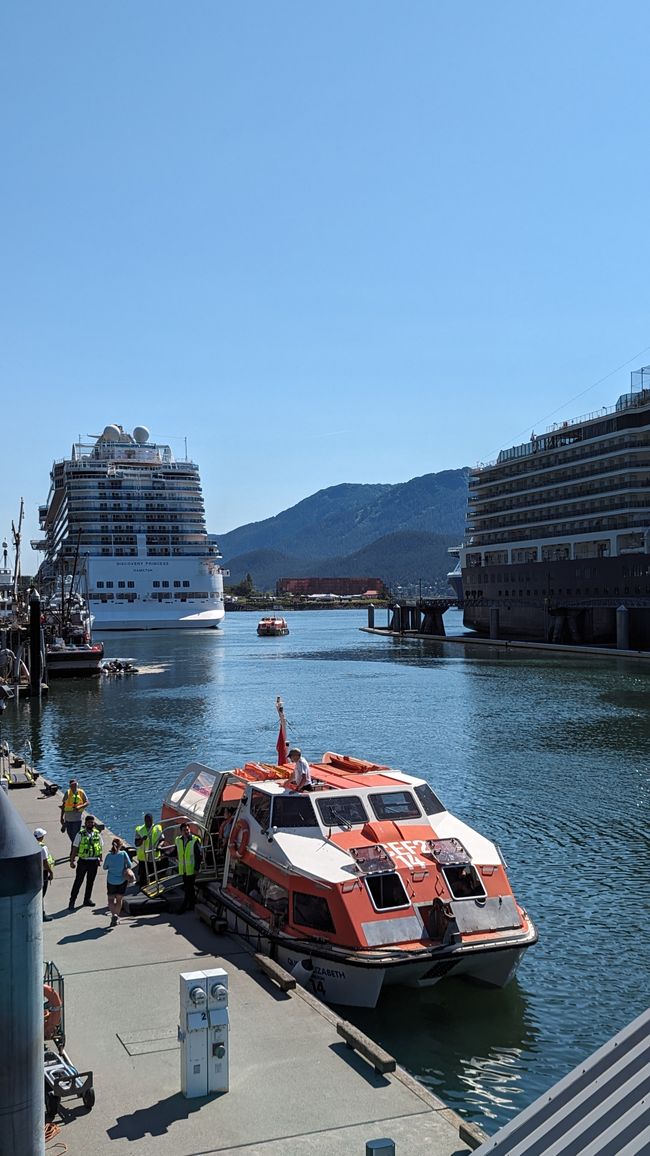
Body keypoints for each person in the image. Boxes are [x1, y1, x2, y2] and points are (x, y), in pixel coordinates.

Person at [69, 814, 103, 910]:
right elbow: (75, 848)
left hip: (94, 862)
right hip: (83, 861)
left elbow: (100, 847)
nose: (91, 824)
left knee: (90, 882)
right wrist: (72, 861)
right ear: (85, 823)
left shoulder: (97, 833)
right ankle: (72, 901)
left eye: (92, 822)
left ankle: (87, 899)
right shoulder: (80, 834)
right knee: (78, 881)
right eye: (89, 822)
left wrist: (100, 858)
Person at [102, 837, 133, 927]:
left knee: (111, 899)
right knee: (119, 899)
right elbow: (130, 865)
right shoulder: (123, 854)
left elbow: (105, 867)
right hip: (122, 881)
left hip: (111, 881)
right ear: (120, 846)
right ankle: (117, 916)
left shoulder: (109, 856)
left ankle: (113, 915)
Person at [175, 822, 202, 912]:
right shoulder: (179, 840)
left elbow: (199, 855)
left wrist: (196, 868)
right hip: (184, 869)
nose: (186, 832)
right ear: (181, 832)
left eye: (187, 830)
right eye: (184, 830)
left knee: (188, 888)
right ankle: (192, 905)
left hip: (191, 869)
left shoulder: (194, 840)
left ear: (189, 830)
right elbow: (176, 852)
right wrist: (165, 853)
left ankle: (184, 906)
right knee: (189, 888)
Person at [134, 812, 164, 889]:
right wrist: (141, 839)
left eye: (150, 820)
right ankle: (142, 889)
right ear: (144, 821)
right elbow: (136, 844)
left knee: (154, 874)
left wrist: (159, 845)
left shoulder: (157, 828)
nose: (148, 822)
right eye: (147, 821)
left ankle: (153, 888)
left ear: (152, 820)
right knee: (143, 875)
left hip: (154, 857)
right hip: (143, 857)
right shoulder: (139, 829)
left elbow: (162, 839)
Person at [60, 778, 89, 844]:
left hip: (77, 818)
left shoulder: (81, 792)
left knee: (76, 835)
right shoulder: (67, 793)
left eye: (75, 784)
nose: (74, 786)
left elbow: (87, 802)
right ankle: (75, 847)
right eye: (72, 785)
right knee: (70, 834)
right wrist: (61, 817)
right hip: (68, 819)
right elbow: (63, 805)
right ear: (70, 786)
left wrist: (80, 807)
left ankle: (75, 849)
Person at [34, 827, 54, 921]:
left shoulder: (31, 844)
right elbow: (45, 862)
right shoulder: (43, 847)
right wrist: (51, 872)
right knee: (42, 894)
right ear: (41, 837)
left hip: (34, 872)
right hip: (43, 872)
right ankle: (41, 914)